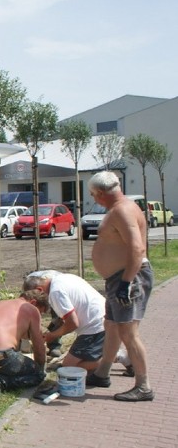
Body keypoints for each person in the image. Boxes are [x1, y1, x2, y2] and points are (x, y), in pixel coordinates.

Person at [86, 171, 155, 402]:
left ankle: (143, 386)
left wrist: (126, 282)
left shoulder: (123, 210)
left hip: (128, 278)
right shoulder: (121, 208)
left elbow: (137, 249)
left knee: (128, 332)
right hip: (119, 278)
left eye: (94, 195)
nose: (94, 199)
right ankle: (102, 373)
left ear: (101, 193)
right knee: (112, 325)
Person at [22, 270, 110, 372]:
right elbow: (66, 317)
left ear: (39, 289)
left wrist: (52, 336)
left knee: (69, 367)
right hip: (103, 316)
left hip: (95, 326)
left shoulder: (55, 293)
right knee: (74, 361)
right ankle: (110, 353)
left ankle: (115, 356)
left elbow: (73, 323)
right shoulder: (62, 278)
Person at [0, 289, 49, 397]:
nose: (39, 315)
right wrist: (39, 368)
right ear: (34, 303)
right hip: (2, 357)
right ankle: (0, 382)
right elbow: (38, 348)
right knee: (38, 375)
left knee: (2, 364)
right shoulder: (31, 309)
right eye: (41, 312)